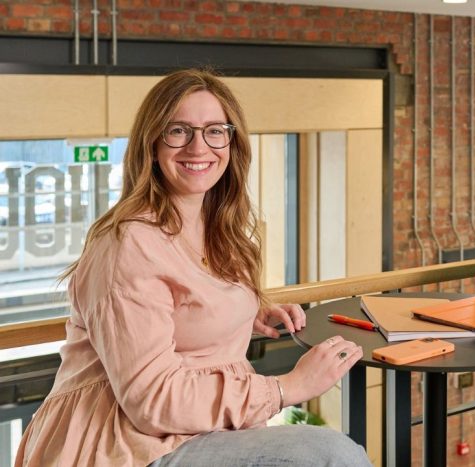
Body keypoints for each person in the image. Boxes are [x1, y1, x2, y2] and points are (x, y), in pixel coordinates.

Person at [15, 69, 371, 467]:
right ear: (152, 144)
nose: (199, 146)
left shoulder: (216, 228)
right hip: (125, 444)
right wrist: (287, 388)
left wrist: (242, 310)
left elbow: (179, 303)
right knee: (329, 455)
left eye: (214, 130)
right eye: (178, 131)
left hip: (194, 431)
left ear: (231, 143)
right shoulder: (127, 242)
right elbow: (151, 399)